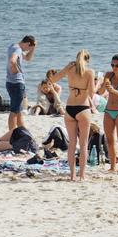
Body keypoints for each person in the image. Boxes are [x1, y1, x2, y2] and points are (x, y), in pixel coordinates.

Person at [51, 48, 95, 181]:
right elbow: (92, 93)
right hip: (83, 108)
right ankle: (82, 175)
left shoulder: (70, 70)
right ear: (87, 60)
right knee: (83, 144)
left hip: (70, 108)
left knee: (71, 144)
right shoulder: (89, 72)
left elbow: (52, 80)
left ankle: (72, 175)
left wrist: (65, 68)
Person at [5, 35, 37, 131]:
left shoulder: (13, 46)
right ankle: (12, 134)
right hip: (17, 83)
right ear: (27, 43)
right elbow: (12, 61)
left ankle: (23, 132)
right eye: (29, 47)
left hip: (10, 82)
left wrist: (33, 48)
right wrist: (16, 71)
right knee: (14, 111)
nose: (28, 50)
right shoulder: (18, 50)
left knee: (18, 111)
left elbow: (27, 58)